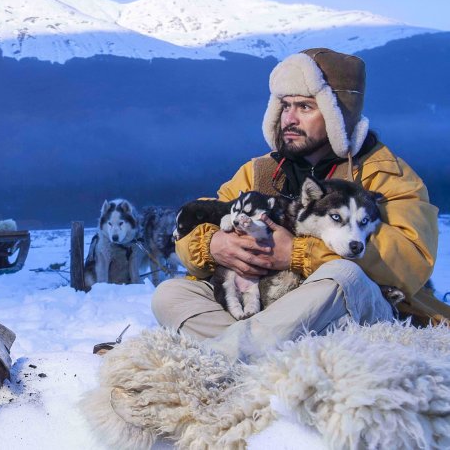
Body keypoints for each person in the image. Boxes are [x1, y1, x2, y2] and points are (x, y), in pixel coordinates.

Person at [152, 48, 442, 362]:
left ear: (338, 114)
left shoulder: (383, 174)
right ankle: (261, 356)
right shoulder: (258, 171)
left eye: (304, 106)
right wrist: (214, 244)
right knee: (172, 294)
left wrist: (297, 253)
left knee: (344, 276)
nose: (288, 119)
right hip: (270, 307)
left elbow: (410, 261)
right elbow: (202, 224)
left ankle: (224, 358)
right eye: (285, 105)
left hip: (356, 314)